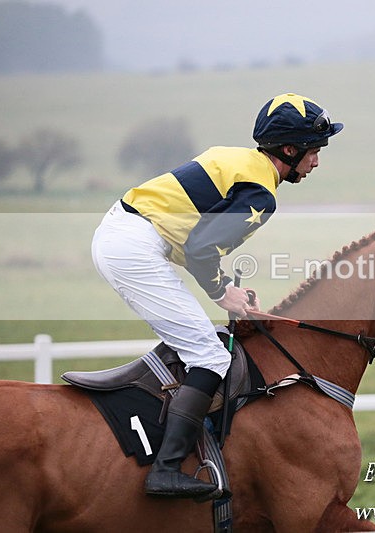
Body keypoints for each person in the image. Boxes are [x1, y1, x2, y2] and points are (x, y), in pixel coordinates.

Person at [91, 93, 343, 499]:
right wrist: (222, 291)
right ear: (290, 149)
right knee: (209, 355)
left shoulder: (239, 159)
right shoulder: (261, 193)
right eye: (314, 150)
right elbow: (199, 248)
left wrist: (225, 287)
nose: (316, 161)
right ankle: (166, 468)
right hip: (134, 247)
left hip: (124, 234)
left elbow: (197, 242)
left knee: (197, 343)